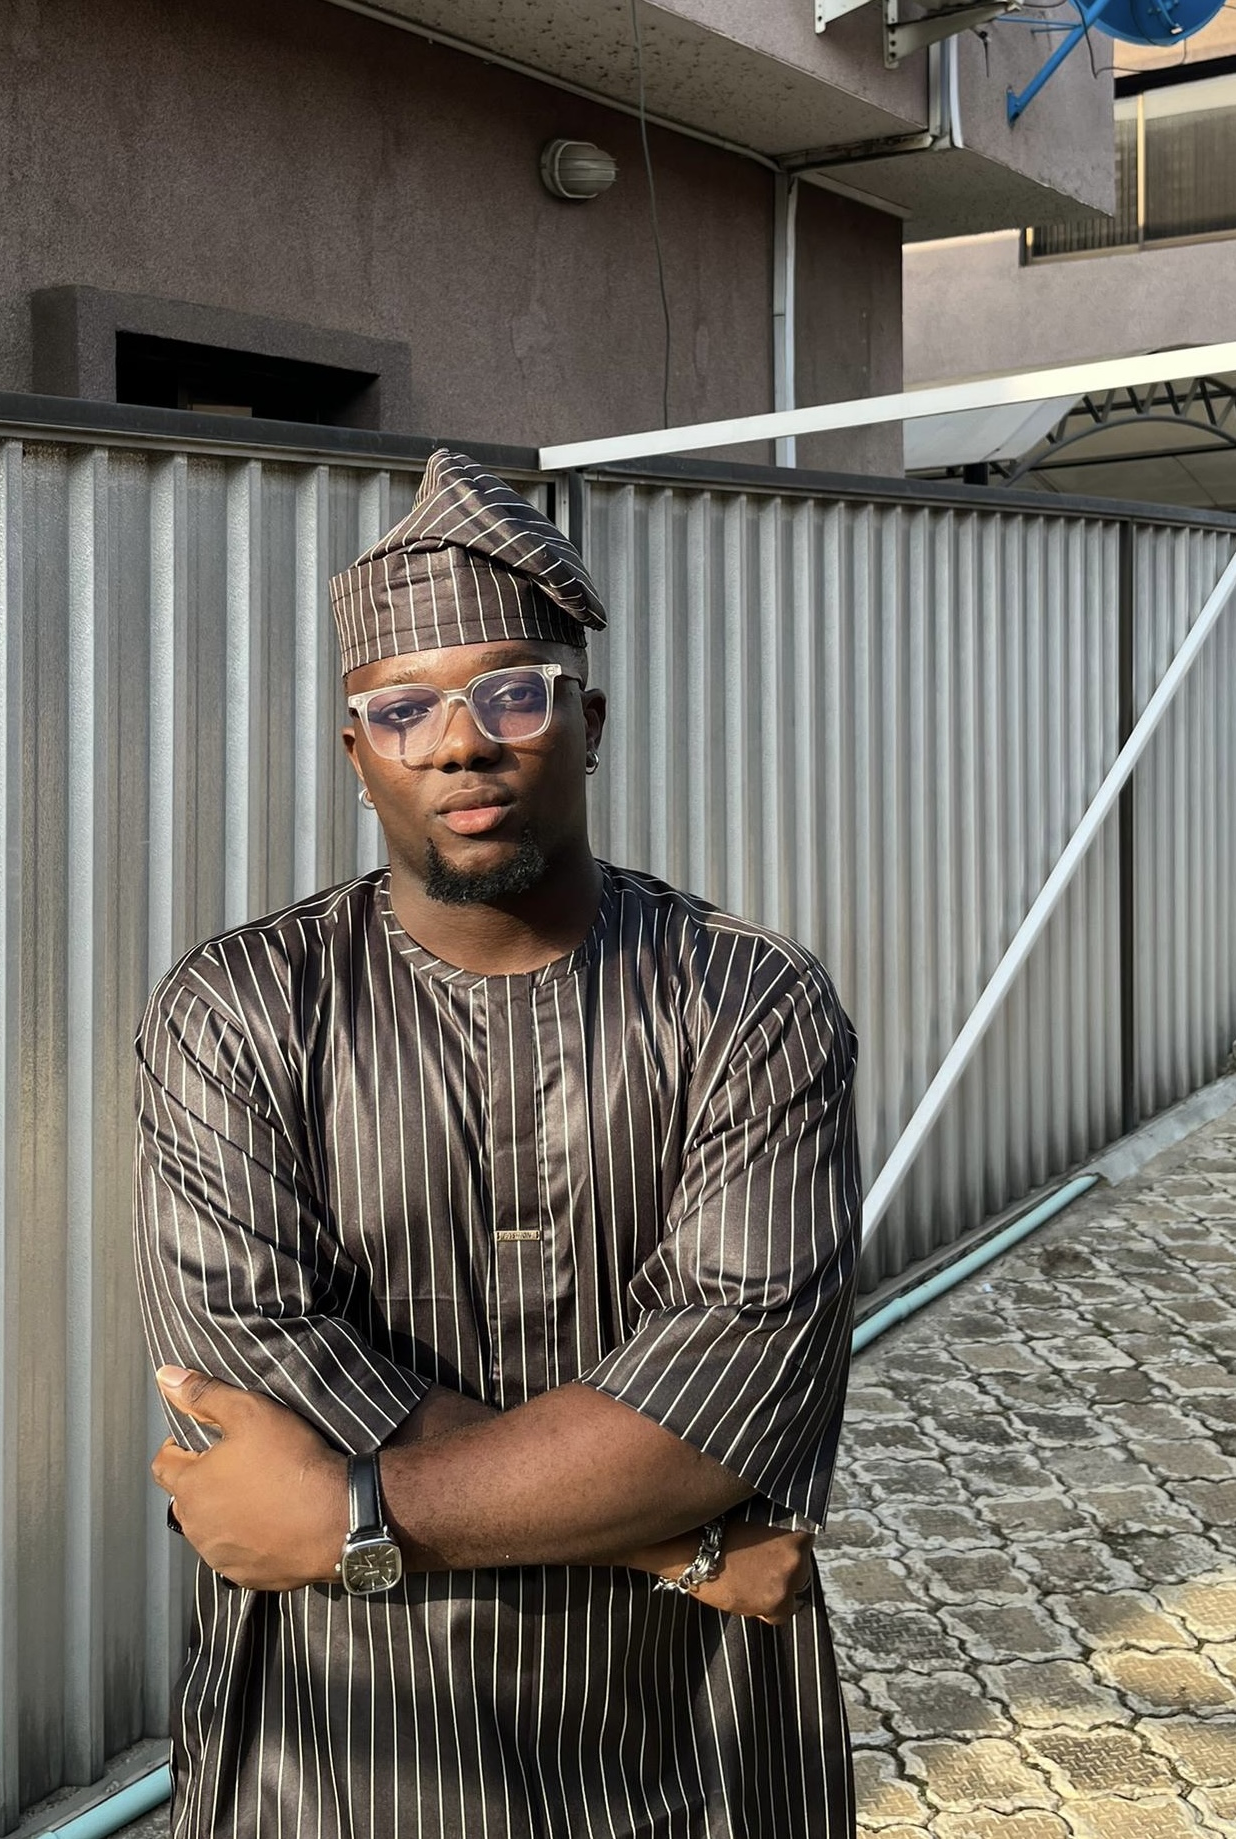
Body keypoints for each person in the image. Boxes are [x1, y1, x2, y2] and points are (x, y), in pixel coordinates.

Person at [136, 449, 862, 1839]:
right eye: (402, 710)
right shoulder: (238, 1009)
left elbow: (729, 1387)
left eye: (512, 693)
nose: (460, 743)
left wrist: (346, 1514)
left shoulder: (748, 1001)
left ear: (590, 722)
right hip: (341, 1747)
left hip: (688, 1733)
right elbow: (247, 1365)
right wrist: (674, 1538)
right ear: (359, 759)